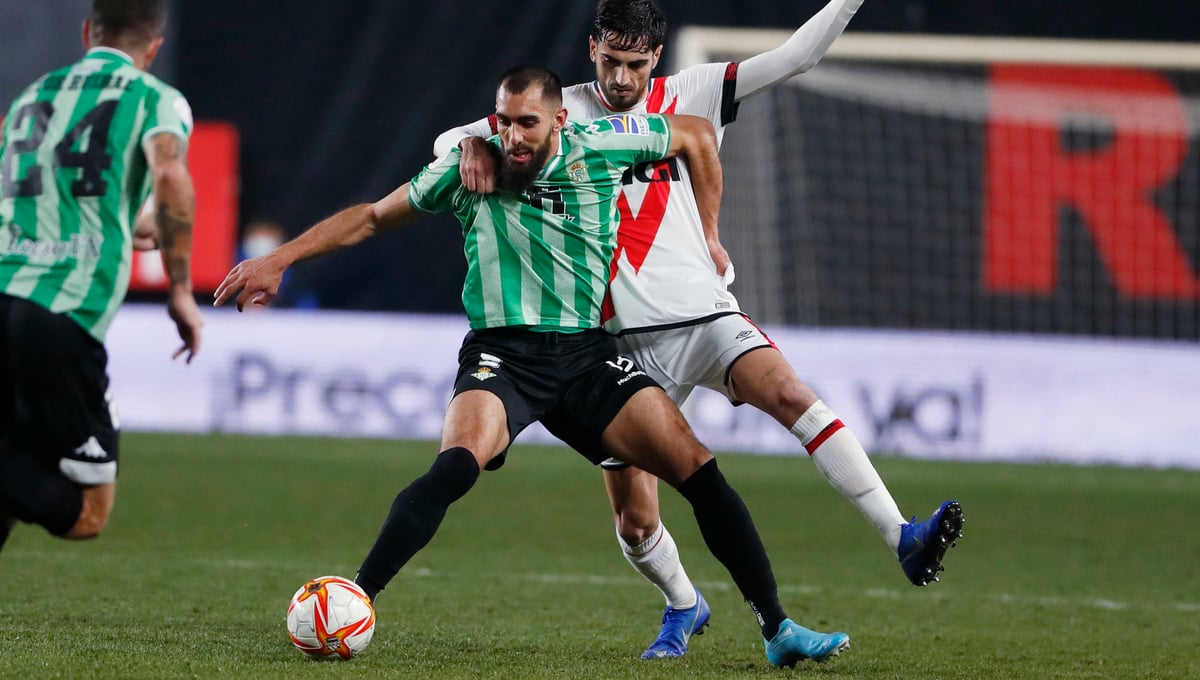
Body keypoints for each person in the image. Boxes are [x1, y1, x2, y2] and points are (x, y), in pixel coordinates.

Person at [215, 64, 850, 667]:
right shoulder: (470, 166)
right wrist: (279, 259)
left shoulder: (601, 147)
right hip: (502, 355)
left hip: (586, 357)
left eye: (527, 123)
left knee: (700, 472)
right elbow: (375, 218)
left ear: (559, 121)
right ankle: (357, 596)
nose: (512, 136)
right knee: (456, 465)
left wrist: (710, 233)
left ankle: (777, 629)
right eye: (503, 122)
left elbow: (693, 134)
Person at [433, 0, 964, 660]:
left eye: (635, 64)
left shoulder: (694, 92)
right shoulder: (556, 110)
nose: (621, 78)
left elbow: (798, 56)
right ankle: (684, 603)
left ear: (655, 57)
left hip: (705, 313)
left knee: (791, 394)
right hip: (619, 345)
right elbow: (446, 140)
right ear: (592, 48)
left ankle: (901, 535)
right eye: (609, 60)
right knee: (636, 522)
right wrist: (473, 145)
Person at [0, 0, 203, 554]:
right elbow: (171, 176)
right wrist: (180, 290)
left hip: (5, 286)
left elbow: (33, 191)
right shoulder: (155, 98)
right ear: (153, 48)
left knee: (15, 462)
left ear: (88, 31)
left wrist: (125, 224)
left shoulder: (32, 95)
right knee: (87, 512)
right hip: (60, 310)